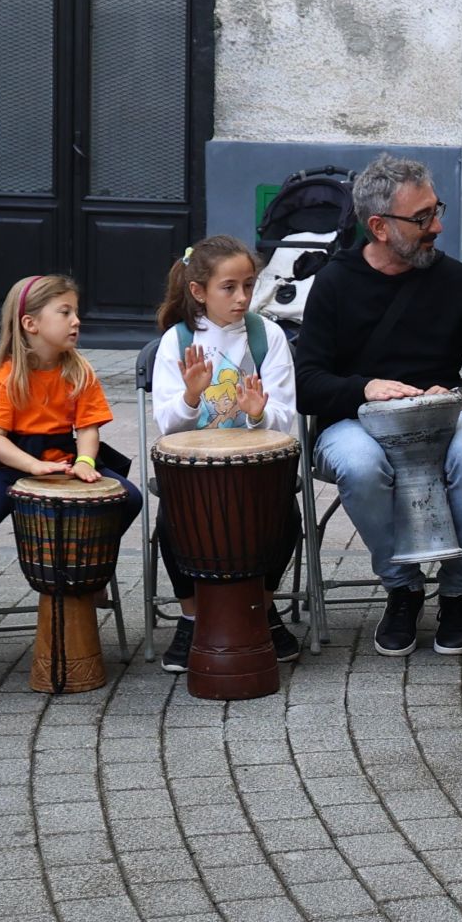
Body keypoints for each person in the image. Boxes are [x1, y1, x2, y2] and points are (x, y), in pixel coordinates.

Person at [294, 154, 462, 658]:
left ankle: (458, 590)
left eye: (437, 210)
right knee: (363, 467)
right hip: (352, 421)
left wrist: (460, 396)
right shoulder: (334, 282)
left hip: (439, 418)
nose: (437, 226)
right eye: (422, 218)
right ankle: (402, 587)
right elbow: (306, 382)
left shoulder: (458, 282)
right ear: (379, 227)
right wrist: (364, 388)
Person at [0, 274, 143, 615]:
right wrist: (32, 466)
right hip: (11, 463)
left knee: (129, 498)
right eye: (65, 312)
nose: (76, 320)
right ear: (30, 323)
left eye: (75, 312)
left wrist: (86, 463)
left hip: (66, 458)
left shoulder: (80, 372)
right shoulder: (7, 376)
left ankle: (92, 565)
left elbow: (89, 430)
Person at [149, 236, 305, 674]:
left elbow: (283, 418)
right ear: (199, 291)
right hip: (194, 474)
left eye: (249, 286)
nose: (242, 297)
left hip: (257, 469)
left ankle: (261, 609)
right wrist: (192, 397)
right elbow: (168, 427)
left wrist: (258, 413)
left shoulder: (266, 335)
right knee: (171, 525)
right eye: (229, 287)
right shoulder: (176, 341)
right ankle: (191, 617)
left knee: (285, 519)